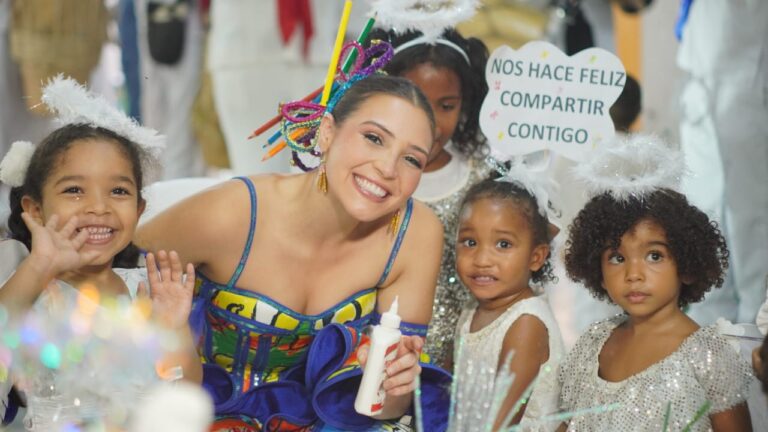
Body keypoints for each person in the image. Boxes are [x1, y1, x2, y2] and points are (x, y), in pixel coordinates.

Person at [135, 74, 450, 431]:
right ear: (327, 132)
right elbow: (116, 264)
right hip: (200, 412)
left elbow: (387, 406)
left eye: (412, 160)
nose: (388, 169)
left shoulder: (415, 233)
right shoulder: (235, 213)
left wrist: (393, 386)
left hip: (331, 421)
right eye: (374, 138)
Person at [0, 77, 200, 429]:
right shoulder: (31, 290)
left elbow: (185, 395)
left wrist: (175, 331)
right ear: (35, 211)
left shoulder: (147, 290)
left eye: (118, 191)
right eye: (74, 190)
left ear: (139, 209)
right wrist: (40, 265)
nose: (99, 207)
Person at [558, 136, 754, 431]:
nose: (633, 274)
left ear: (686, 264)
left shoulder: (709, 356)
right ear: (597, 268)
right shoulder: (591, 345)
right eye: (617, 258)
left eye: (654, 256)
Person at [366, 27, 492, 367]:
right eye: (416, 100)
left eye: (446, 105)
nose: (431, 123)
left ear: (465, 104)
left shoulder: (481, 178)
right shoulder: (369, 176)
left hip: (458, 361)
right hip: (371, 353)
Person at [451, 177, 563, 431]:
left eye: (503, 244)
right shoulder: (472, 309)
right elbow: (451, 383)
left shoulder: (526, 324)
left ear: (536, 257)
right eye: (470, 242)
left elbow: (500, 421)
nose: (482, 259)